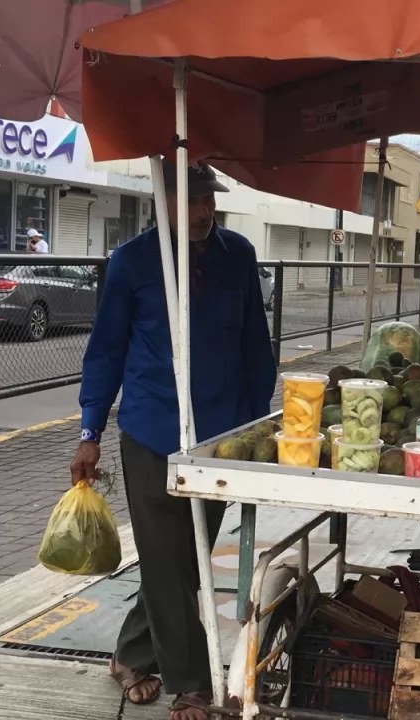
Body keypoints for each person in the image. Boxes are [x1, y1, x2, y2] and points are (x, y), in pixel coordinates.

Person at [72, 160, 276, 720]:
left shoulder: (239, 256)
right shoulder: (132, 262)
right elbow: (106, 351)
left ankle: (131, 653)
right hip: (150, 431)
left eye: (207, 198)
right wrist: (90, 431)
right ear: (163, 203)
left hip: (221, 437)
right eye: (191, 201)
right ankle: (190, 684)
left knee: (189, 561)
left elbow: (256, 344)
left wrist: (259, 426)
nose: (204, 211)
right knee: (164, 558)